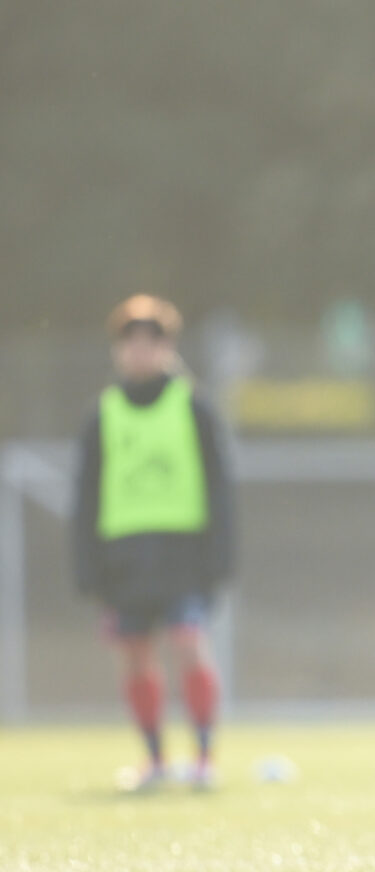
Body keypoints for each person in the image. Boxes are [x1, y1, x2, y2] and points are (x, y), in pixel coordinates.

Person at [71, 295, 236, 789]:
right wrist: (87, 567)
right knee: (134, 653)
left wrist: (221, 555)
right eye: (131, 343)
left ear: (169, 347)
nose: (140, 351)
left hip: (182, 555)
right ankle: (155, 760)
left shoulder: (194, 407)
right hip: (123, 559)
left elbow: (219, 487)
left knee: (188, 641)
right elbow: (87, 496)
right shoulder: (103, 414)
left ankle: (203, 757)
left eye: (151, 342)